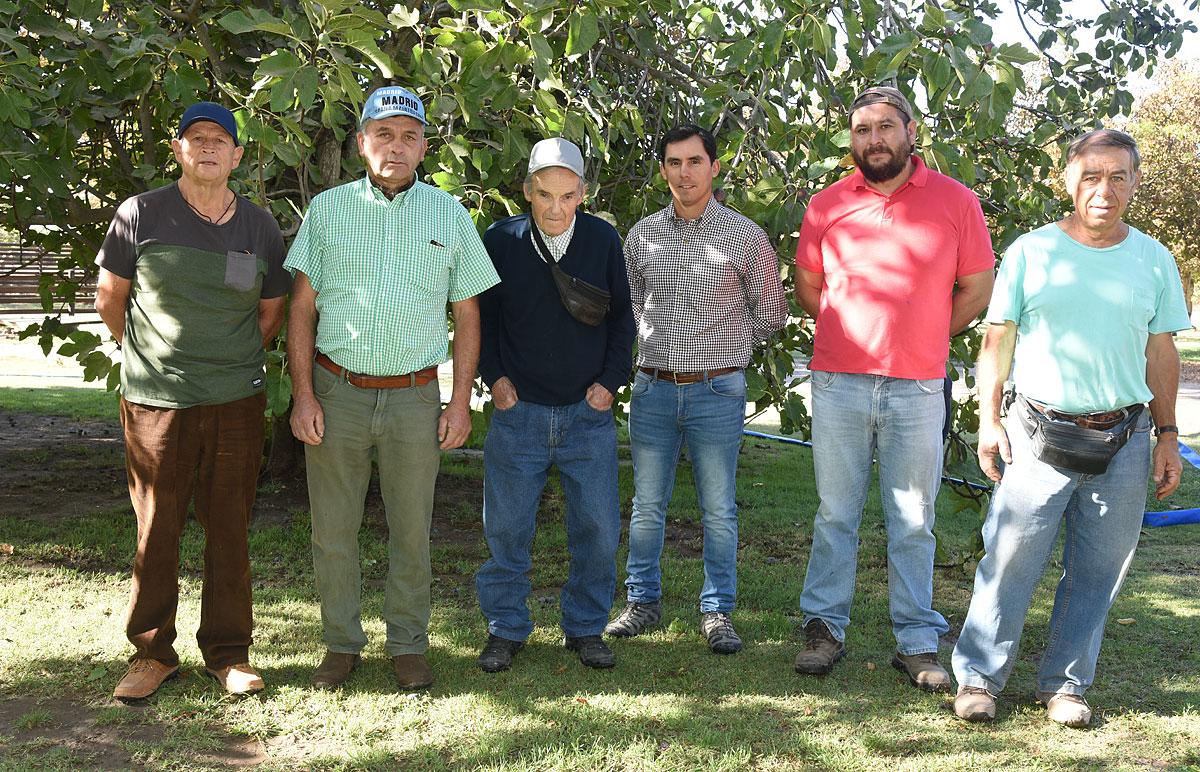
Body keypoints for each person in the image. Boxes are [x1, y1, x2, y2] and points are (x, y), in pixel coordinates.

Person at [951, 129, 1189, 726]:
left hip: (1126, 440)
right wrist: (988, 421)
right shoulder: (1031, 252)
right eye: (1091, 176)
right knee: (1009, 561)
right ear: (1068, 181)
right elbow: (997, 340)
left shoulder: (1155, 260)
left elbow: (1161, 352)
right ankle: (978, 678)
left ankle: (1066, 686)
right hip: (1036, 436)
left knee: (1100, 572)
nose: (1104, 190)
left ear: (1134, 182)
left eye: (1118, 177)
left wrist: (1167, 435)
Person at [285, 85, 499, 692]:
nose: (396, 147)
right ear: (362, 143)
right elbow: (301, 308)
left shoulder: (449, 214)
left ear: (424, 148)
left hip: (414, 398)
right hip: (337, 393)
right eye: (384, 134)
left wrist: (459, 401)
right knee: (333, 531)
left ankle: (408, 644)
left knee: (412, 530)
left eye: (409, 136)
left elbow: (467, 313)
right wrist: (303, 394)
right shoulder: (328, 211)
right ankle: (340, 644)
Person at [791, 86, 995, 690]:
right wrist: (854, 335)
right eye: (862, 129)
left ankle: (916, 639)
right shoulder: (826, 204)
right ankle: (824, 629)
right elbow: (809, 288)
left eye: (885, 126)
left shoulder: (956, 201)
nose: (874, 139)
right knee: (836, 513)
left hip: (917, 387)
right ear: (851, 140)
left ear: (911, 132)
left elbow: (977, 289)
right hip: (838, 382)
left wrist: (923, 333)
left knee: (913, 518)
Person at [95, 101, 290, 700]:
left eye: (219, 139)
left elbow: (271, 313)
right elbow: (110, 300)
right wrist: (153, 359)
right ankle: (151, 654)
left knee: (229, 528)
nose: (207, 146)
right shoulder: (140, 213)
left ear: (237, 154)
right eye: (195, 137)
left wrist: (225, 360)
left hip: (235, 402)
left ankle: (228, 655)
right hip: (155, 401)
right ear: (178, 149)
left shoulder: (260, 227)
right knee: (157, 527)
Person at [605, 124, 788, 654]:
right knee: (647, 504)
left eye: (694, 161)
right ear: (663, 169)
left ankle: (717, 610)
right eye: (673, 162)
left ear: (713, 166)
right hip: (654, 389)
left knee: (718, 508)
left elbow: (771, 312)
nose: (684, 173)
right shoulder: (642, 236)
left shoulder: (745, 235)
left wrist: (727, 347)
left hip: (718, 391)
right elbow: (627, 308)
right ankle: (642, 602)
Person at [474, 138, 635, 672]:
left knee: (597, 530)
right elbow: (483, 320)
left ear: (583, 194)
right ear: (527, 190)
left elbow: (623, 320)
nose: (555, 208)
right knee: (506, 530)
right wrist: (495, 378)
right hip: (517, 413)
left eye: (567, 196)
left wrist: (609, 384)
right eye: (545, 195)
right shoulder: (500, 240)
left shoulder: (603, 240)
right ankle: (505, 629)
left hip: (586, 416)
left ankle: (586, 627)